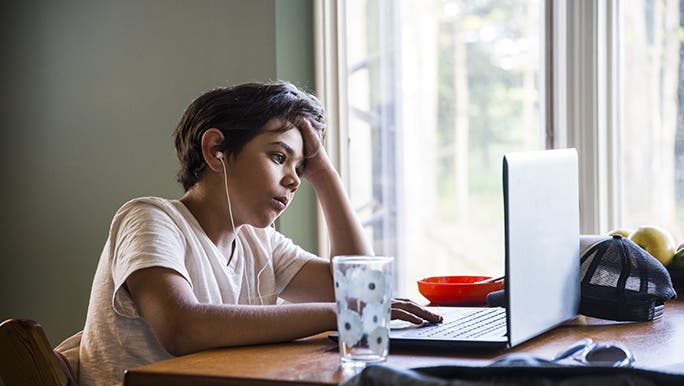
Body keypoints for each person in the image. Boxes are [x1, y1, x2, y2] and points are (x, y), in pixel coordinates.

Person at [78, 81, 442, 386]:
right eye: (279, 157)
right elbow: (182, 328)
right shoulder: (149, 218)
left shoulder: (258, 242)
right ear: (215, 149)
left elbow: (360, 288)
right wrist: (340, 313)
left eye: (302, 167)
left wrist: (325, 176)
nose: (294, 179)